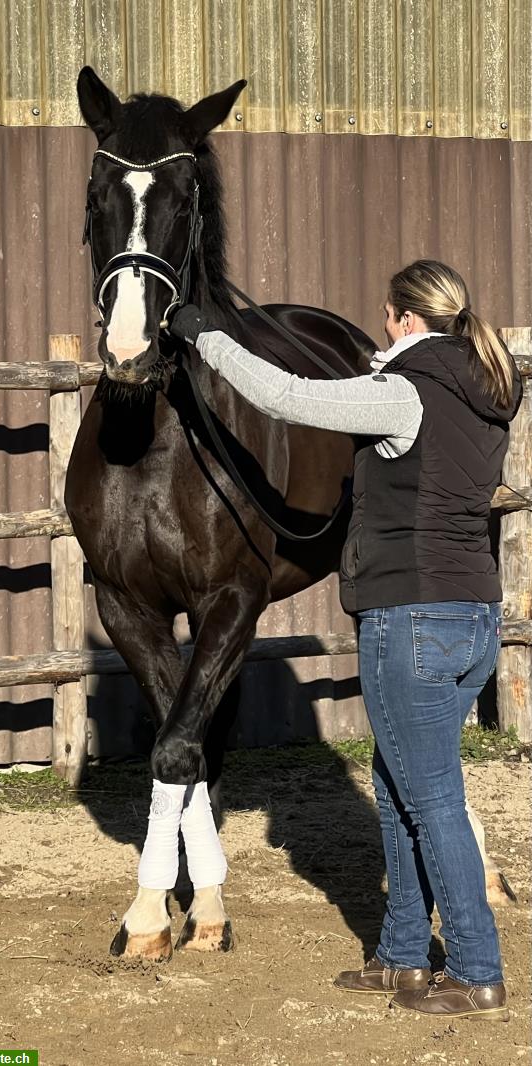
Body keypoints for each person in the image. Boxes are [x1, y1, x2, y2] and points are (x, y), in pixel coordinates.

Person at [170, 260, 522, 1020]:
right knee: (401, 789)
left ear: (402, 319)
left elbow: (285, 395)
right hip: (471, 617)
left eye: (385, 318)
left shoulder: (404, 395)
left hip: (411, 615)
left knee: (432, 800)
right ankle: (401, 957)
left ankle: (475, 966)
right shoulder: (487, 386)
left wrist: (204, 337)